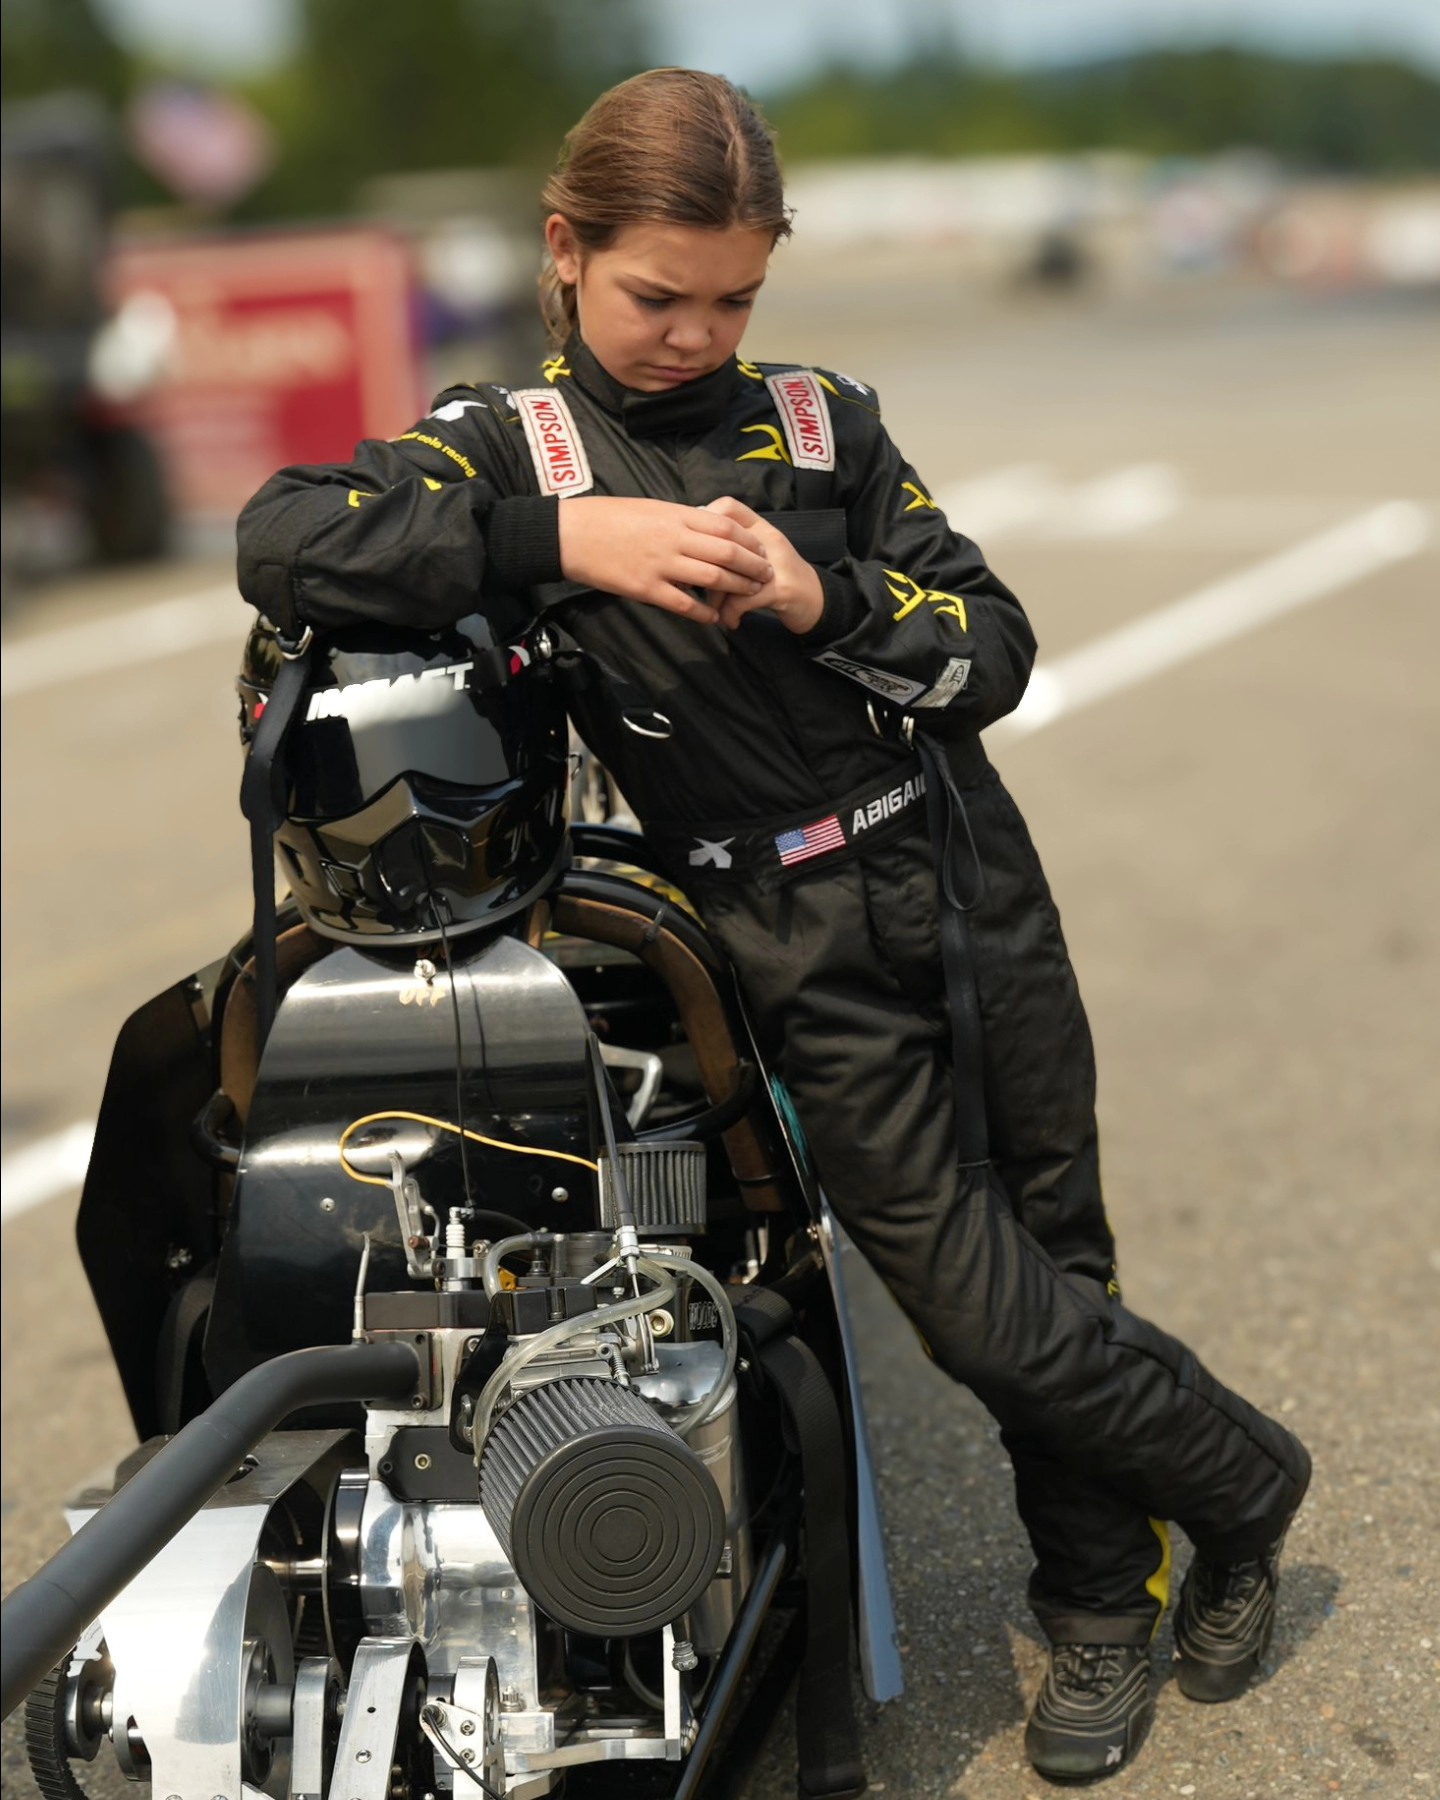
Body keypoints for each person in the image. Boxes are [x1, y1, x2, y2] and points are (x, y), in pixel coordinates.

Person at [236, 68, 1310, 1785]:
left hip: (959, 872)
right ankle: (1250, 1487)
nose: (696, 335)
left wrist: (824, 595)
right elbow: (284, 536)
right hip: (778, 925)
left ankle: (1105, 1601)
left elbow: (996, 648)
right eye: (659, 295)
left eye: (733, 299)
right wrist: (564, 537)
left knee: (1060, 1255)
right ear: (565, 250)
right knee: (969, 1303)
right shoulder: (505, 442)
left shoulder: (823, 425)